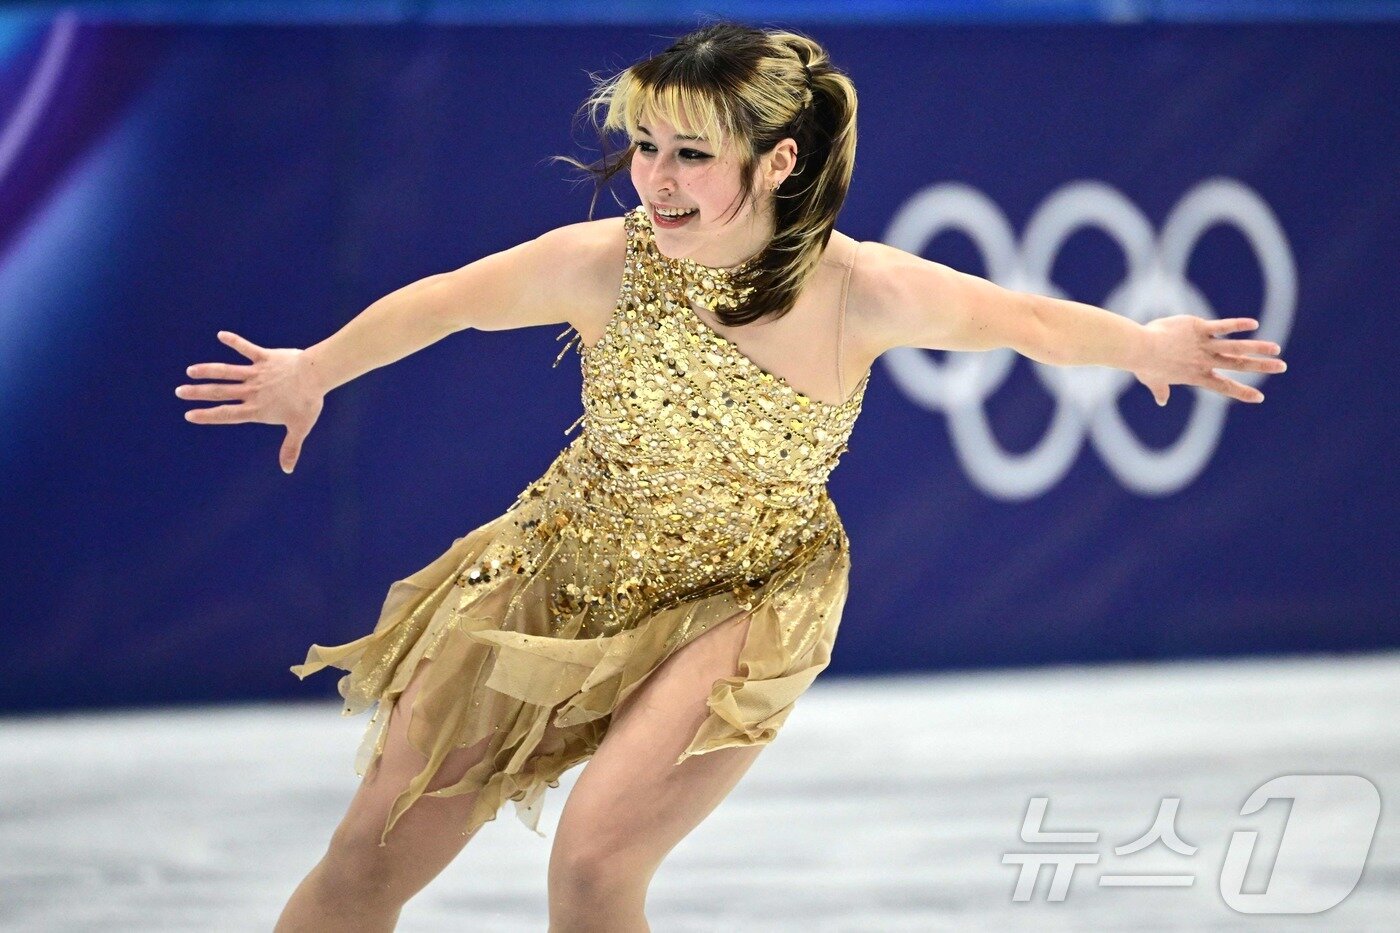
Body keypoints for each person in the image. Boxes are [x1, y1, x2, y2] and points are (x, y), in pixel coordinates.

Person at [175, 21, 1286, 933]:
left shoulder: (861, 290)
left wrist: (1144, 348)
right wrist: (312, 369)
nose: (654, 180)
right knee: (366, 864)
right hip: (558, 568)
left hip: (748, 596)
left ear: (778, 162)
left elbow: (1028, 322)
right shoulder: (603, 264)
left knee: (593, 870)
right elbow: (450, 297)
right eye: (647, 145)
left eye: (690, 154)